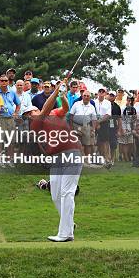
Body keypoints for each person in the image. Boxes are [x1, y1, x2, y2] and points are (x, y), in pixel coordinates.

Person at [27, 80, 81, 242]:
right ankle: (69, 225)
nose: (29, 115)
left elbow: (65, 108)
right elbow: (46, 108)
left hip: (71, 152)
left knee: (67, 193)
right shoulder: (36, 123)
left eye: (30, 112)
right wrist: (57, 89)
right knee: (55, 194)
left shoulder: (54, 114)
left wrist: (63, 95)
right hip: (57, 158)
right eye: (27, 115)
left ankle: (66, 233)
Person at [68, 91, 97, 157]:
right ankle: (77, 159)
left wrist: (93, 129)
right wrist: (71, 127)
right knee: (76, 143)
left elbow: (94, 119)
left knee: (88, 144)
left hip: (86, 126)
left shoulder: (92, 107)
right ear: (82, 96)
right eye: (84, 95)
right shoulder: (76, 104)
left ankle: (87, 160)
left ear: (90, 98)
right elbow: (71, 116)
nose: (86, 97)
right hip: (76, 125)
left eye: (88, 96)